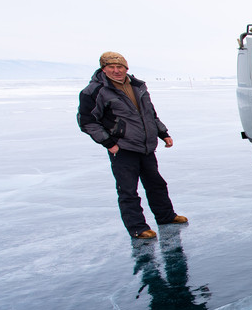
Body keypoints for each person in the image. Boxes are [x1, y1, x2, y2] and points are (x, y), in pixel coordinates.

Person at [78, 52, 187, 239]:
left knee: (157, 184)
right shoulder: (95, 91)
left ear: (126, 68)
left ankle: (166, 216)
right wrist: (108, 142)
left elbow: (150, 114)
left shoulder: (138, 86)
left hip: (145, 146)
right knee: (128, 190)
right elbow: (87, 121)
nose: (116, 71)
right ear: (103, 69)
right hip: (122, 147)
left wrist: (163, 133)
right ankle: (138, 228)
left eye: (119, 67)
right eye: (111, 67)